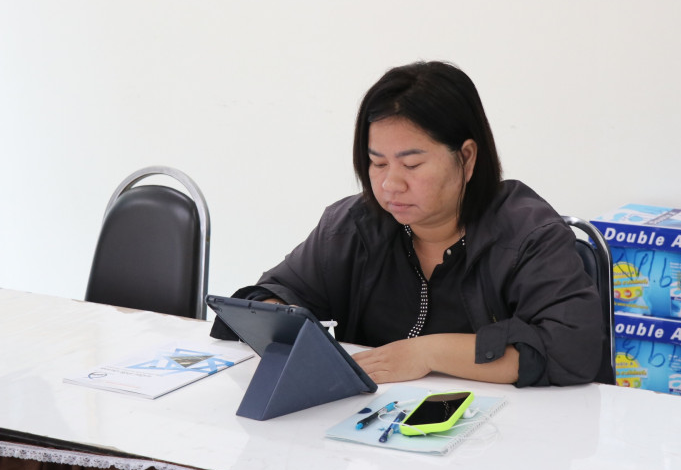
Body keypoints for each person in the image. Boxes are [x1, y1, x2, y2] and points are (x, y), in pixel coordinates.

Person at [211, 60, 606, 387]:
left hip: (503, 435)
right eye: (377, 163)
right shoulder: (353, 226)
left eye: (412, 164)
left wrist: (428, 353)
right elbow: (275, 294)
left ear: (467, 158)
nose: (390, 184)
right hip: (371, 430)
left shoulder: (528, 234)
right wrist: (275, 313)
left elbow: (571, 350)